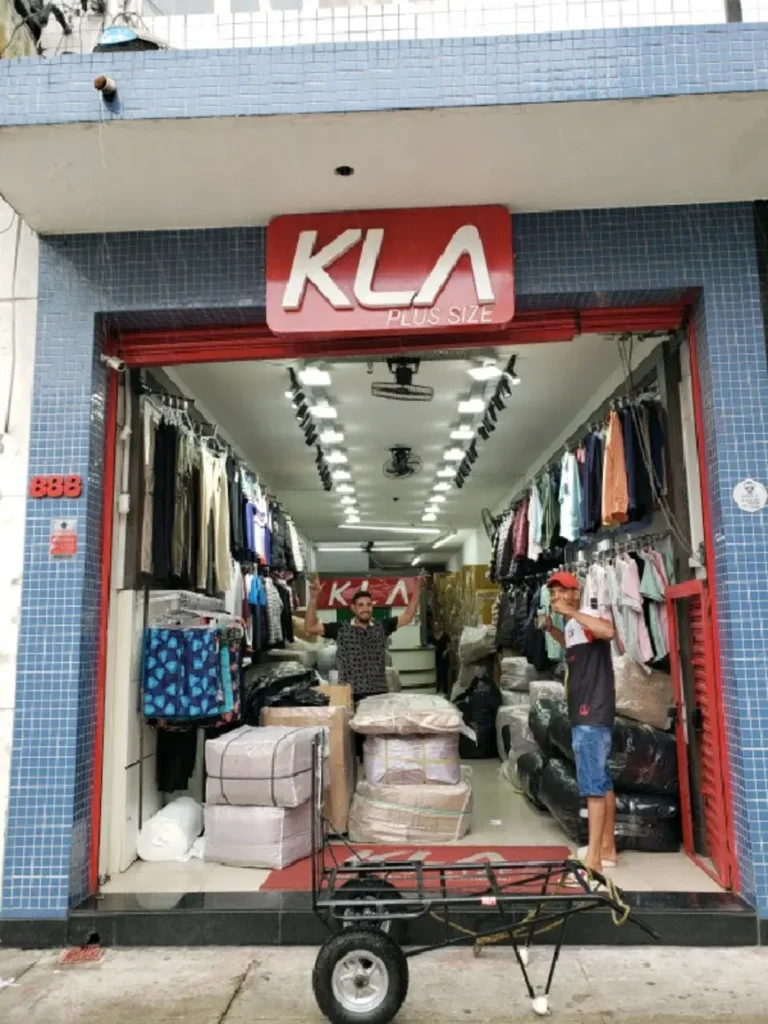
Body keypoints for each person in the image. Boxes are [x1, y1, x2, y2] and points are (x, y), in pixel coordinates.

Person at [543, 570, 619, 878]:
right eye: (553, 594)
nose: (557, 597)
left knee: (592, 787)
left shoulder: (588, 615)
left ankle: (594, 861)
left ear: (576, 593)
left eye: (563, 591)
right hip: (584, 711)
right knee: (602, 780)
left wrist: (572, 612)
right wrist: (553, 629)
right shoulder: (572, 625)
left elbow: (608, 632)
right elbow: (574, 650)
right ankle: (607, 848)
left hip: (592, 713)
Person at [303, 576, 424, 703]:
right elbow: (310, 627)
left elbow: (408, 616)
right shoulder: (340, 628)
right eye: (360, 605)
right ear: (353, 608)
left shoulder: (382, 626)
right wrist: (314, 598)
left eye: (369, 605)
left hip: (378, 695)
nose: (365, 609)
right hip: (349, 695)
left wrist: (417, 590)